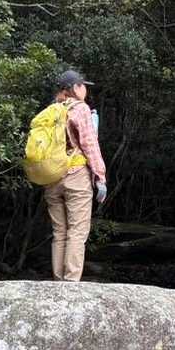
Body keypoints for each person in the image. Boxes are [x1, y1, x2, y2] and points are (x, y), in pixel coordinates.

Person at [44, 68, 107, 282]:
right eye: (83, 86)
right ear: (76, 88)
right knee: (77, 231)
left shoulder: (51, 109)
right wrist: (100, 177)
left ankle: (58, 280)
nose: (85, 90)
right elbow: (89, 144)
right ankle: (71, 283)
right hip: (76, 175)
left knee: (59, 232)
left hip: (52, 177)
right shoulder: (81, 109)